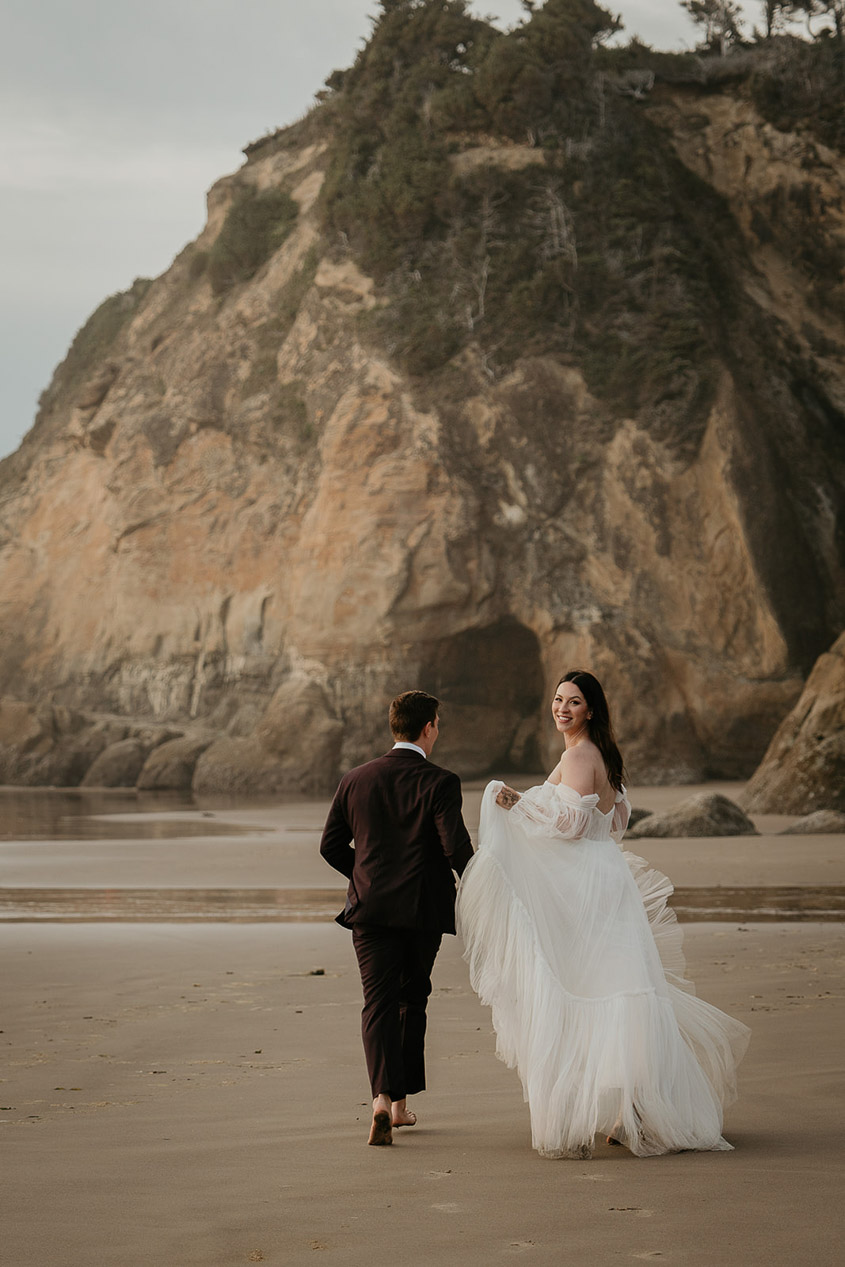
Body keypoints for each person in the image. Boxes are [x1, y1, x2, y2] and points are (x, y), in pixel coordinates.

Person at [456, 669, 750, 1160]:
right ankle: (631, 1110)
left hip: (589, 885)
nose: (561, 709)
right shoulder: (600, 754)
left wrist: (510, 804)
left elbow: (569, 824)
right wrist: (517, 800)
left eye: (573, 702)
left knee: (597, 986)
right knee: (623, 986)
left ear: (590, 709)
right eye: (557, 700)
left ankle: (613, 1112)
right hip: (606, 877)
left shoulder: (578, 755)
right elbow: (607, 817)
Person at [320, 689, 474, 1146]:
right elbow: (456, 850)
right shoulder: (441, 782)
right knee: (413, 999)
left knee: (378, 1002)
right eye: (438, 725)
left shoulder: (356, 779)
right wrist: (487, 885)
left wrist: (365, 875)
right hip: (423, 911)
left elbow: (330, 846)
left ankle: (382, 1104)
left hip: (370, 910)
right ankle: (403, 1106)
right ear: (428, 727)